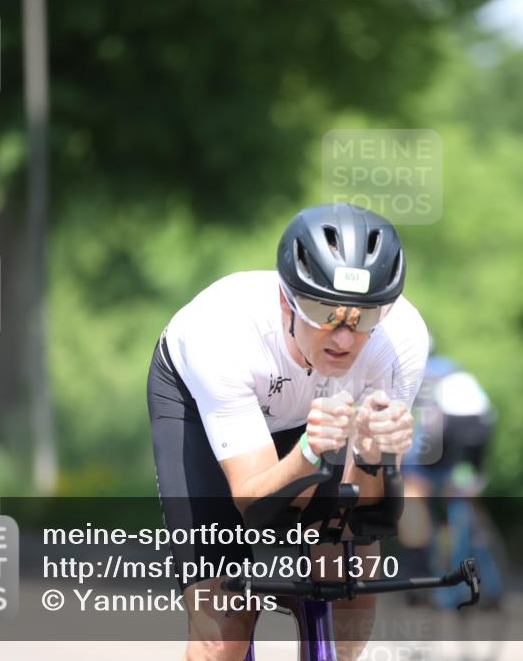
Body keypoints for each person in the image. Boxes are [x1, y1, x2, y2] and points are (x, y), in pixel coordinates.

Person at [147, 202, 428, 661]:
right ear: (286, 301)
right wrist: (310, 451)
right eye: (323, 311)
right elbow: (253, 501)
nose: (343, 337)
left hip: (315, 423)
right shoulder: (221, 333)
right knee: (223, 630)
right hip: (201, 410)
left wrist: (377, 456)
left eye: (364, 318)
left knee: (349, 581)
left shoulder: (401, 341)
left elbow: (368, 508)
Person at [399, 346, 501, 608]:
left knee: (415, 488)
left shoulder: (419, 371)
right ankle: (492, 583)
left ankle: (430, 586)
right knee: (463, 493)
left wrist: (409, 467)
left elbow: (428, 428)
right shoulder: (452, 366)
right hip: (482, 426)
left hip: (448, 431)